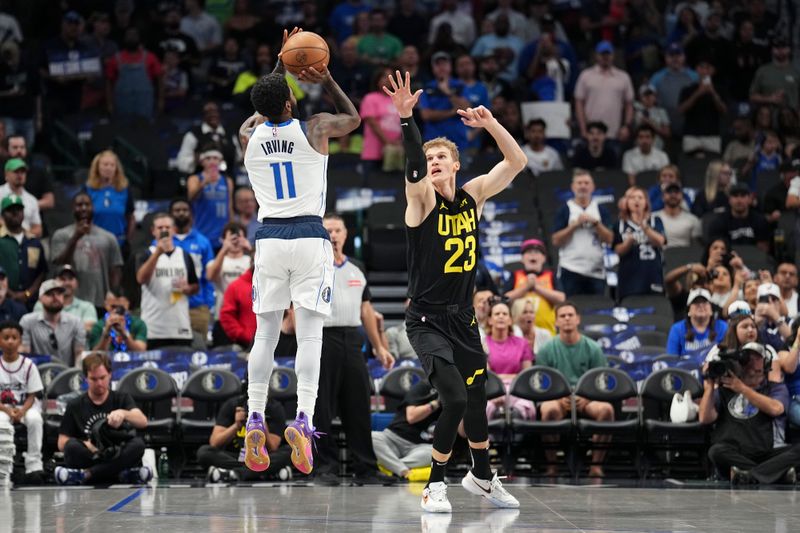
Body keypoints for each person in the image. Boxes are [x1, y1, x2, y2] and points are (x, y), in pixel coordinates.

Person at [383, 70, 525, 512]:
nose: (435, 162)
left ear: (457, 164)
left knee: (478, 404)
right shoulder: (421, 200)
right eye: (431, 158)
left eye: (443, 156)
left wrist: (491, 125)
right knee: (456, 399)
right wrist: (407, 120)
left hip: (463, 318)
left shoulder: (473, 196)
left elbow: (516, 162)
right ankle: (436, 484)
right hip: (425, 318)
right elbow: (411, 165)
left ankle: (482, 476)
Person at [236, 27, 362, 477]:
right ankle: (304, 421)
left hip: (268, 239)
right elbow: (353, 118)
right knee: (310, 336)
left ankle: (254, 415)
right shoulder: (315, 128)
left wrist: (279, 65)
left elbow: (265, 104)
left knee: (266, 335)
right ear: (291, 103)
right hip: (310, 236)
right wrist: (324, 76)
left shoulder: (247, 134)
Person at [312, 213, 395, 485]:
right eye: (328, 231)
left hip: (352, 339)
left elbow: (366, 310)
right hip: (322, 338)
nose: (333, 235)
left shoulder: (357, 267)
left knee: (358, 406)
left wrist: (380, 347)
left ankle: (365, 467)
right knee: (322, 407)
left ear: (346, 235)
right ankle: (326, 467)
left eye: (337, 230)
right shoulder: (312, 266)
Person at [699, 342, 800, 485]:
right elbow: (704, 418)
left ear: (765, 363)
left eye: (757, 358)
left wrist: (741, 388)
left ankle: (749, 475)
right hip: (735, 453)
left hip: (765, 453)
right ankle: (774, 475)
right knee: (716, 451)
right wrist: (709, 387)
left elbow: (776, 409)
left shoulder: (775, 388)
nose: (751, 361)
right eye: (747, 357)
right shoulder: (725, 389)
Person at [537, 302, 613, 477]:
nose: (567, 319)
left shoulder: (593, 348)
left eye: (570, 315)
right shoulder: (547, 349)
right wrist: (557, 397)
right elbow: (540, 384)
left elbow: (601, 382)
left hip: (586, 398)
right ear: (556, 322)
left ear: (578, 319)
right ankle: (552, 466)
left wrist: (586, 397)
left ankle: (596, 466)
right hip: (558, 398)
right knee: (548, 410)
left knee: (606, 410)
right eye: (562, 316)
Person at [55, 352, 150, 485]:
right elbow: (61, 443)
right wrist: (88, 445)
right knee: (71, 447)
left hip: (116, 452)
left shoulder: (121, 398)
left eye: (102, 377)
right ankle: (121, 473)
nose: (99, 383)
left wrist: (124, 413)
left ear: (110, 375)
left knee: (138, 444)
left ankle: (87, 474)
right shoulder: (75, 405)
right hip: (92, 454)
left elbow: (142, 421)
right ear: (86, 378)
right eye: (94, 379)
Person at [135, 212, 199, 348]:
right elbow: (141, 278)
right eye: (160, 228)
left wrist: (188, 289)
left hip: (180, 326)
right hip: (153, 328)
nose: (164, 230)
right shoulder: (146, 253)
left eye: (167, 227)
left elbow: (195, 286)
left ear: (174, 230)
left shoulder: (185, 255)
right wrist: (158, 253)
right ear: (153, 231)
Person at [197, 391, 291, 482]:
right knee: (204, 452)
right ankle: (264, 472)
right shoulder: (233, 404)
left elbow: (272, 447)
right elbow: (214, 442)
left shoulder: (275, 407)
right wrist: (236, 425)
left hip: (261, 455)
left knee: (289, 452)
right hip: (234, 456)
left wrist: (262, 424)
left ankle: (233, 473)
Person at [50, 193, 124, 309]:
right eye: (79, 205)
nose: (84, 208)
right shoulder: (61, 235)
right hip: (70, 302)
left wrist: (113, 293)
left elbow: (115, 269)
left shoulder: (109, 237)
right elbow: (60, 264)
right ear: (73, 208)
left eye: (87, 204)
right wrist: (76, 237)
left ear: (93, 207)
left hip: (101, 301)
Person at [551, 169, 613, 296]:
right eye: (579, 183)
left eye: (586, 183)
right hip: (570, 268)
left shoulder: (601, 210)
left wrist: (596, 223)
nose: (583, 186)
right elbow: (555, 240)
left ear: (592, 187)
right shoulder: (565, 210)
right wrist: (574, 225)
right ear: (573, 187)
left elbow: (610, 239)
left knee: (596, 310)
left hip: (596, 268)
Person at [0, 320, 44, 483]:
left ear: (20, 340)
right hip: (3, 408)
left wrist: (22, 411)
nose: (10, 341)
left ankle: (34, 464)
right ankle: (3, 467)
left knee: (35, 419)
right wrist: (7, 411)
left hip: (26, 406)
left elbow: (32, 395)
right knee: (1, 423)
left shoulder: (29, 365)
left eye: (14, 337)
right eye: (6, 337)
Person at [371, 380, 440, 480]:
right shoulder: (424, 386)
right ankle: (404, 472)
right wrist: (436, 403)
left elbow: (462, 433)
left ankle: (392, 467)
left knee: (436, 453)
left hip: (419, 447)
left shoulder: (454, 397)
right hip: (392, 438)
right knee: (371, 437)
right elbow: (411, 417)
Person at [170, 199, 215, 342]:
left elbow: (209, 276)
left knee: (199, 352)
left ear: (191, 215)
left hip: (197, 307)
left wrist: (207, 304)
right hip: (170, 306)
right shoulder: (162, 243)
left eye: (185, 210)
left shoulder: (203, 242)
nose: (181, 213)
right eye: (177, 210)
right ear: (170, 215)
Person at [574, 40, 634, 144]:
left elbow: (629, 104)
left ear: (613, 55)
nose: (605, 57)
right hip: (591, 133)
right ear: (596, 55)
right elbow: (579, 104)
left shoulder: (623, 77)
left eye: (608, 54)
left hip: (615, 133)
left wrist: (626, 126)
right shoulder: (586, 76)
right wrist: (583, 130)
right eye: (602, 54)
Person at [613, 186, 667, 301]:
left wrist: (646, 228)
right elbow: (617, 250)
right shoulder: (620, 224)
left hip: (653, 274)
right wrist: (628, 242)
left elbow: (661, 241)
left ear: (646, 202)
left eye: (640, 197)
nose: (636, 200)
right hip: (629, 277)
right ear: (627, 202)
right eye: (632, 197)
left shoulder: (655, 221)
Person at [484, 300, 534, 421]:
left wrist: (503, 378)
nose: (501, 316)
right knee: (485, 407)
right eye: (497, 314)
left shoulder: (522, 343)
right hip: (491, 390)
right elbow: (486, 377)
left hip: (517, 389)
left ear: (510, 320)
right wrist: (510, 378)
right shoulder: (482, 344)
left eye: (505, 314)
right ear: (490, 320)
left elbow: (527, 375)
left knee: (525, 406)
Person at [504, 238, 564, 334]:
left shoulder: (551, 276)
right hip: (518, 334)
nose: (533, 255)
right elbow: (505, 298)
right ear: (522, 259)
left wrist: (536, 287)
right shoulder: (515, 275)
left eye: (537, 252)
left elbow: (561, 298)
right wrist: (526, 287)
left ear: (544, 258)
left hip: (547, 332)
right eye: (528, 252)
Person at [20, 280, 85, 366]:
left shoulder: (76, 322)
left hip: (67, 374)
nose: (55, 297)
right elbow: (25, 354)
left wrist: (77, 376)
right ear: (40, 299)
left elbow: (79, 354)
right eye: (50, 294)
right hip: (36, 374)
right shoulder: (27, 321)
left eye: (59, 294)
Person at [0, 195, 46, 309]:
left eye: (18, 209)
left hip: (31, 302)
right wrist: (11, 293)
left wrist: (28, 293)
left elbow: (41, 272)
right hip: (3, 301)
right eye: (10, 210)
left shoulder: (34, 242)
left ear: (23, 213)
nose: (15, 213)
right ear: (2, 215)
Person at [83, 150, 135, 247]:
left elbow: (130, 217)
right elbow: (83, 218)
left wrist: (128, 240)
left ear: (116, 168)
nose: (108, 168)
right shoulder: (88, 189)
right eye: (105, 164)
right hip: (94, 244)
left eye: (112, 165)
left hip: (119, 243)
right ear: (97, 167)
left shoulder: (124, 189)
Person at [187, 146, 234, 248]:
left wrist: (232, 228)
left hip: (221, 233)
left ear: (220, 161)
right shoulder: (195, 178)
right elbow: (191, 197)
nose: (212, 161)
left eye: (215, 158)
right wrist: (203, 183)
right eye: (208, 158)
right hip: (201, 231)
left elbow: (229, 207)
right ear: (202, 161)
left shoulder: (227, 181)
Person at [678, 56, 727, 155]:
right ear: (697, 70)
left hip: (712, 136)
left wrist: (713, 93)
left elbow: (724, 111)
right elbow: (681, 110)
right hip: (691, 136)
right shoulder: (687, 90)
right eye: (701, 67)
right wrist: (698, 93)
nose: (705, 71)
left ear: (713, 70)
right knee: (691, 166)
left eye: (708, 68)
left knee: (714, 166)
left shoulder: (720, 90)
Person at [707, 182, 770, 252]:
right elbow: (717, 250)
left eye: (743, 196)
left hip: (755, 260)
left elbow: (763, 251)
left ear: (749, 199)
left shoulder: (760, 221)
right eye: (735, 196)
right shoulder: (718, 223)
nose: (739, 200)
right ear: (729, 200)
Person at [207, 222, 252, 319]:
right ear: (223, 240)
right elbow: (210, 276)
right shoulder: (216, 262)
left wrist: (250, 249)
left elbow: (264, 275)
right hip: (223, 314)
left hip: (247, 314)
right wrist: (224, 249)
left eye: (238, 237)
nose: (235, 241)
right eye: (231, 238)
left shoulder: (251, 261)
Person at [666, 288, 727, 359]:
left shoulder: (723, 327)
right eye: (696, 302)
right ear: (689, 310)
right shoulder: (677, 329)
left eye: (705, 302)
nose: (701, 305)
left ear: (711, 310)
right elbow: (671, 360)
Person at [33, 265, 96, 332]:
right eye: (62, 279)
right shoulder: (41, 304)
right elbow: (40, 329)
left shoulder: (87, 307)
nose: (67, 283)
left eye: (70, 279)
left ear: (77, 283)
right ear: (53, 283)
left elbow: (90, 329)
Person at [653, 181, 702, 248]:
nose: (673, 195)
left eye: (676, 192)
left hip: (684, 257)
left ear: (682, 196)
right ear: (662, 197)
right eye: (669, 192)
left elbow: (696, 247)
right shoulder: (653, 217)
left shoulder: (693, 220)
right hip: (660, 256)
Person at [0, 158, 41, 237]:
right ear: (6, 174)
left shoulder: (32, 200)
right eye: (16, 172)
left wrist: (21, 234)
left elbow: (38, 229)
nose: (20, 175)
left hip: (24, 243)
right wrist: (13, 231)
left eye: (22, 172)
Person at [218, 266, 256, 349]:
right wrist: (243, 335)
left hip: (277, 341)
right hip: (245, 344)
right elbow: (226, 315)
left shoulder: (277, 285)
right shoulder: (236, 286)